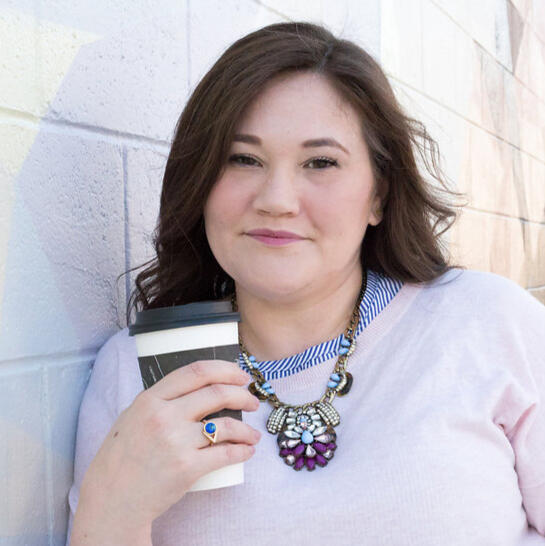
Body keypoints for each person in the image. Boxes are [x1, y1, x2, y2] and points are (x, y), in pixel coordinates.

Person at [66, 21, 545, 545]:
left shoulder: (489, 322)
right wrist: (115, 508)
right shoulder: (136, 372)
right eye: (243, 159)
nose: (277, 199)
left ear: (379, 195)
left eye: (320, 162)